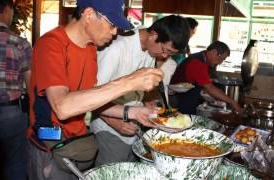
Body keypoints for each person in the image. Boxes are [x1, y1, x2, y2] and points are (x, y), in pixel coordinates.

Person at [27, 0, 164, 179]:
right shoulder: (51, 44)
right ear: (89, 14)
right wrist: (129, 82)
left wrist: (133, 112)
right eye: (112, 25)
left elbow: (89, 101)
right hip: (50, 147)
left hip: (78, 143)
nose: (115, 32)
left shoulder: (90, 49)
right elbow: (63, 107)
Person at [91, 15, 190, 165]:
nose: (164, 56)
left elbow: (139, 89)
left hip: (133, 123)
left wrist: (147, 101)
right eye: (165, 50)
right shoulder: (117, 48)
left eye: (170, 54)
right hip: (108, 126)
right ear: (154, 35)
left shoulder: (150, 50)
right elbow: (93, 95)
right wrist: (114, 122)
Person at [0, 1, 31, 180]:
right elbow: (30, 83)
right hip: (12, 113)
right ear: (6, 10)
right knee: (16, 164)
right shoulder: (20, 43)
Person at [171, 41, 242, 115]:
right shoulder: (198, 62)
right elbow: (210, 88)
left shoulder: (203, 58)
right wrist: (232, 102)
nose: (220, 62)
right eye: (221, 59)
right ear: (214, 52)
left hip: (186, 97)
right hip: (179, 100)